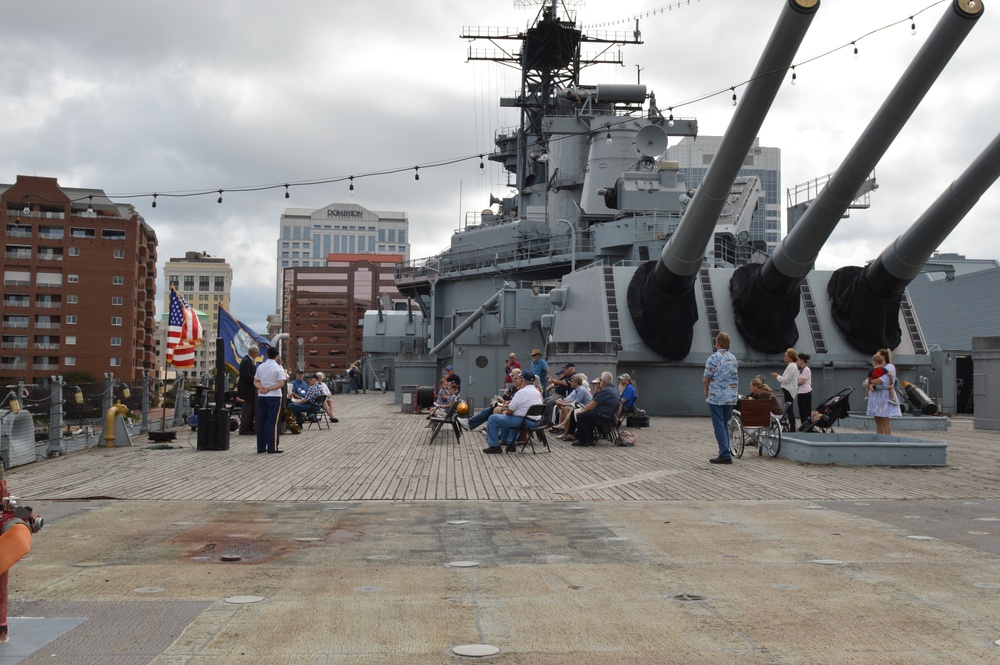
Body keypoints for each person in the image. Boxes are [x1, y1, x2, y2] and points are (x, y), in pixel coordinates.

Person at [482, 370, 543, 454]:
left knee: (493, 418)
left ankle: (494, 446)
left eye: (520, 378)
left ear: (523, 380)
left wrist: (505, 412)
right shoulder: (537, 392)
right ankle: (510, 444)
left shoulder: (522, 392)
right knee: (515, 417)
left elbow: (510, 410)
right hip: (536, 422)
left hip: (524, 422)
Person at [704, 331, 739, 464]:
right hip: (730, 397)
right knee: (724, 424)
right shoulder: (733, 358)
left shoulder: (713, 358)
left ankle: (724, 454)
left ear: (717, 343)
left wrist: (706, 392)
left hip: (716, 397)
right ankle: (726, 450)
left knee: (718, 425)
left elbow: (705, 379)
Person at [572, 372, 620, 447]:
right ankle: (589, 439)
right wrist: (617, 416)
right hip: (610, 416)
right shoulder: (615, 390)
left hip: (603, 416)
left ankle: (584, 441)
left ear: (603, 381)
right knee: (588, 416)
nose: (599, 381)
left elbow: (593, 403)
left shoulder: (605, 390)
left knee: (581, 416)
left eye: (600, 380)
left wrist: (583, 411)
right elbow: (620, 404)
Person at [254, 347, 286, 454]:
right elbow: (281, 384)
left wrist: (261, 387)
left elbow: (256, 381)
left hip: (262, 397)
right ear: (277, 356)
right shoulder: (278, 368)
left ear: (267, 355)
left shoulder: (261, 367)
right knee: (272, 422)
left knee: (261, 422)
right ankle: (273, 447)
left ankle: (261, 447)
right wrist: (269, 388)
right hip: (274, 396)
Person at [866, 349, 901, 435]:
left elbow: (883, 380)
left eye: (878, 355)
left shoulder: (889, 367)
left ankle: (887, 440)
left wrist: (870, 382)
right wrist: (869, 384)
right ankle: (879, 438)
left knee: (884, 419)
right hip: (875, 396)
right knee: (877, 420)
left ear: (883, 357)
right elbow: (866, 381)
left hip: (884, 396)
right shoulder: (876, 368)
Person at [770, 348, 799, 428]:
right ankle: (792, 426)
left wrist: (777, 376)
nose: (784, 357)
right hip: (788, 389)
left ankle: (792, 427)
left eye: (786, 356)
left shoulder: (791, 366)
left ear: (790, 356)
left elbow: (786, 380)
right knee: (789, 408)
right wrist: (778, 377)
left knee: (789, 408)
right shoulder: (792, 366)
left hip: (788, 389)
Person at [541, 361, 575, 427]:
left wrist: (556, 381)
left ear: (571, 369)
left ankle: (551, 422)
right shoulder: (566, 376)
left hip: (564, 395)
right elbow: (558, 382)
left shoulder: (573, 376)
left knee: (550, 403)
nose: (565, 369)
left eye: (566, 368)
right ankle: (544, 420)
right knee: (544, 401)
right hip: (557, 393)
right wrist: (552, 382)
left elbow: (566, 383)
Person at [237, 345, 259, 435]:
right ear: (254, 353)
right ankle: (243, 428)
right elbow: (245, 375)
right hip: (247, 390)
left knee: (251, 410)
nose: (258, 355)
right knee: (247, 410)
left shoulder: (250, 361)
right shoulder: (246, 361)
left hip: (251, 390)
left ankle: (249, 427)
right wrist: (255, 380)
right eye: (257, 353)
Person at [796, 353, 813, 428]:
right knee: (801, 410)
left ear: (802, 360)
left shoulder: (806, 370)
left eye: (798, 360)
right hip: (800, 392)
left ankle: (808, 425)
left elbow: (801, 381)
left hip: (806, 392)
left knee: (806, 410)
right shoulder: (800, 371)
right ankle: (803, 425)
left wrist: (794, 383)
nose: (797, 361)